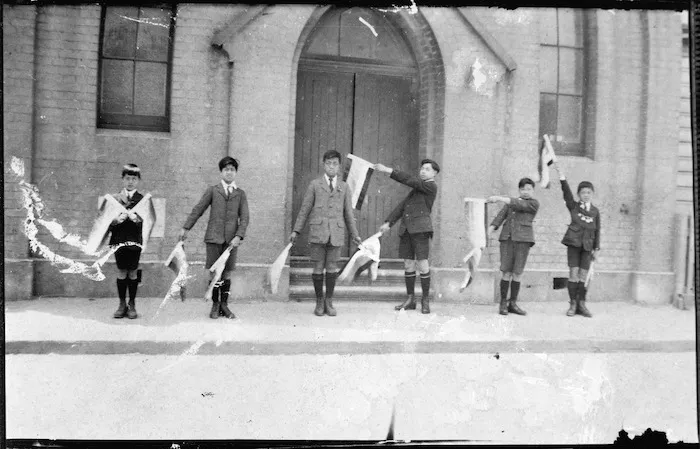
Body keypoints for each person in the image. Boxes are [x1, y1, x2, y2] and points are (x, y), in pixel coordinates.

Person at [290, 150, 362, 317]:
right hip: (318, 233)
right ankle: (319, 301)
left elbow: (348, 214)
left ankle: (329, 301)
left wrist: (355, 235)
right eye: (328, 163)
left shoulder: (344, 187)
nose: (331, 167)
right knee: (317, 267)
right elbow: (305, 209)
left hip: (336, 234)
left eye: (335, 164)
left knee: (331, 268)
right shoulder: (315, 185)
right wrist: (296, 230)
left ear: (339, 166)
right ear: (324, 165)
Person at [179, 156, 249, 319]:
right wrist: (186, 227)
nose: (229, 172)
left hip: (231, 242)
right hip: (213, 239)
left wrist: (239, 236)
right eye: (226, 169)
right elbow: (199, 209)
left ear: (235, 173)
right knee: (213, 273)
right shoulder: (213, 190)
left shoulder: (240, 194)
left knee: (226, 274)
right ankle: (215, 305)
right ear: (221, 172)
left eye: (232, 170)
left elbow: (245, 218)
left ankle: (224, 305)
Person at [374, 159, 440, 314]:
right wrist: (388, 223)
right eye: (422, 168)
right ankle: (410, 299)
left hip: (421, 231)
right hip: (407, 231)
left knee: (423, 265)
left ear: (434, 173)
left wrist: (387, 170)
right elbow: (402, 207)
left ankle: (425, 300)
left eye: (427, 169)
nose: (423, 171)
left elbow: (410, 180)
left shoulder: (430, 186)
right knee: (408, 265)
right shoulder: (416, 190)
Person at [553, 162, 600, 317]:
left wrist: (597, 249)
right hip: (574, 245)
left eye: (588, 192)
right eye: (583, 192)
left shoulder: (595, 211)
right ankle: (573, 304)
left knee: (584, 276)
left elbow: (598, 230)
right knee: (573, 273)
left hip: (587, 247)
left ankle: (582, 304)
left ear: (592, 194)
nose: (586, 194)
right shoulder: (574, 206)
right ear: (579, 194)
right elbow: (566, 192)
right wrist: (562, 176)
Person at [487, 178, 540, 316]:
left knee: (517, 273)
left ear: (533, 190)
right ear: (519, 190)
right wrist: (489, 231)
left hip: (523, 241)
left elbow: (519, 204)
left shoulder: (534, 204)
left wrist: (499, 198)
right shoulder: (511, 203)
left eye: (528, 189)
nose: (526, 192)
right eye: (523, 189)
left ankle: (513, 303)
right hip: (508, 239)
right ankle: (503, 303)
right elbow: (500, 216)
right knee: (506, 272)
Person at [110, 164, 144, 319]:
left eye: (134, 179)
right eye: (127, 178)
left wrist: (137, 219)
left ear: (138, 181)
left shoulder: (142, 200)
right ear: (123, 180)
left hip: (134, 240)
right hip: (119, 239)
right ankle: (121, 303)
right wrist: (116, 220)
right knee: (122, 271)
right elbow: (105, 220)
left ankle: (132, 304)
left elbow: (148, 221)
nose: (130, 182)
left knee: (132, 272)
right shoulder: (115, 199)